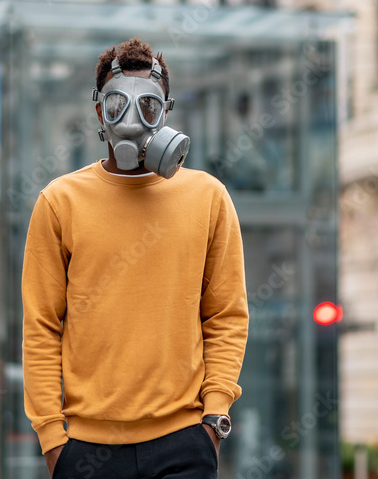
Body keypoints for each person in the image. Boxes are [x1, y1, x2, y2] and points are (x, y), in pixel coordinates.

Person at [22, 38, 249, 479]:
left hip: (185, 441)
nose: (131, 119)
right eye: (116, 105)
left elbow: (226, 315)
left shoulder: (208, 197)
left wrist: (214, 420)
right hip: (86, 452)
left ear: (166, 111)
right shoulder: (59, 202)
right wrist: (53, 440)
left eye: (148, 106)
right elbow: (41, 328)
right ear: (98, 111)